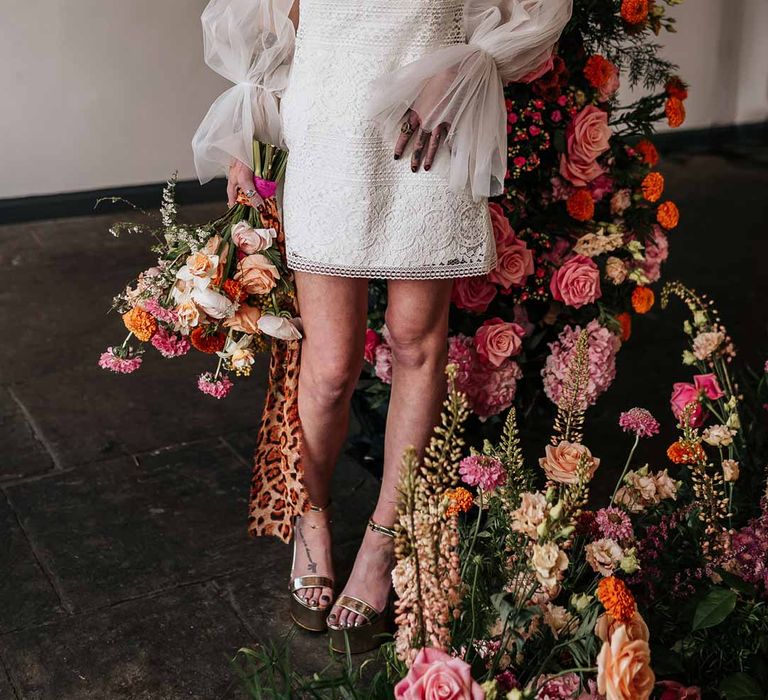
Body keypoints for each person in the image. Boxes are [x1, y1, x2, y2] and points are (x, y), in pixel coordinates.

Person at [193, 0, 571, 653]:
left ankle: (383, 541)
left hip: (429, 131)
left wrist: (459, 67)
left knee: (416, 343)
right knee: (330, 362)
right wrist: (248, 142)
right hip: (327, 132)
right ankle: (310, 525)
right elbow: (270, 19)